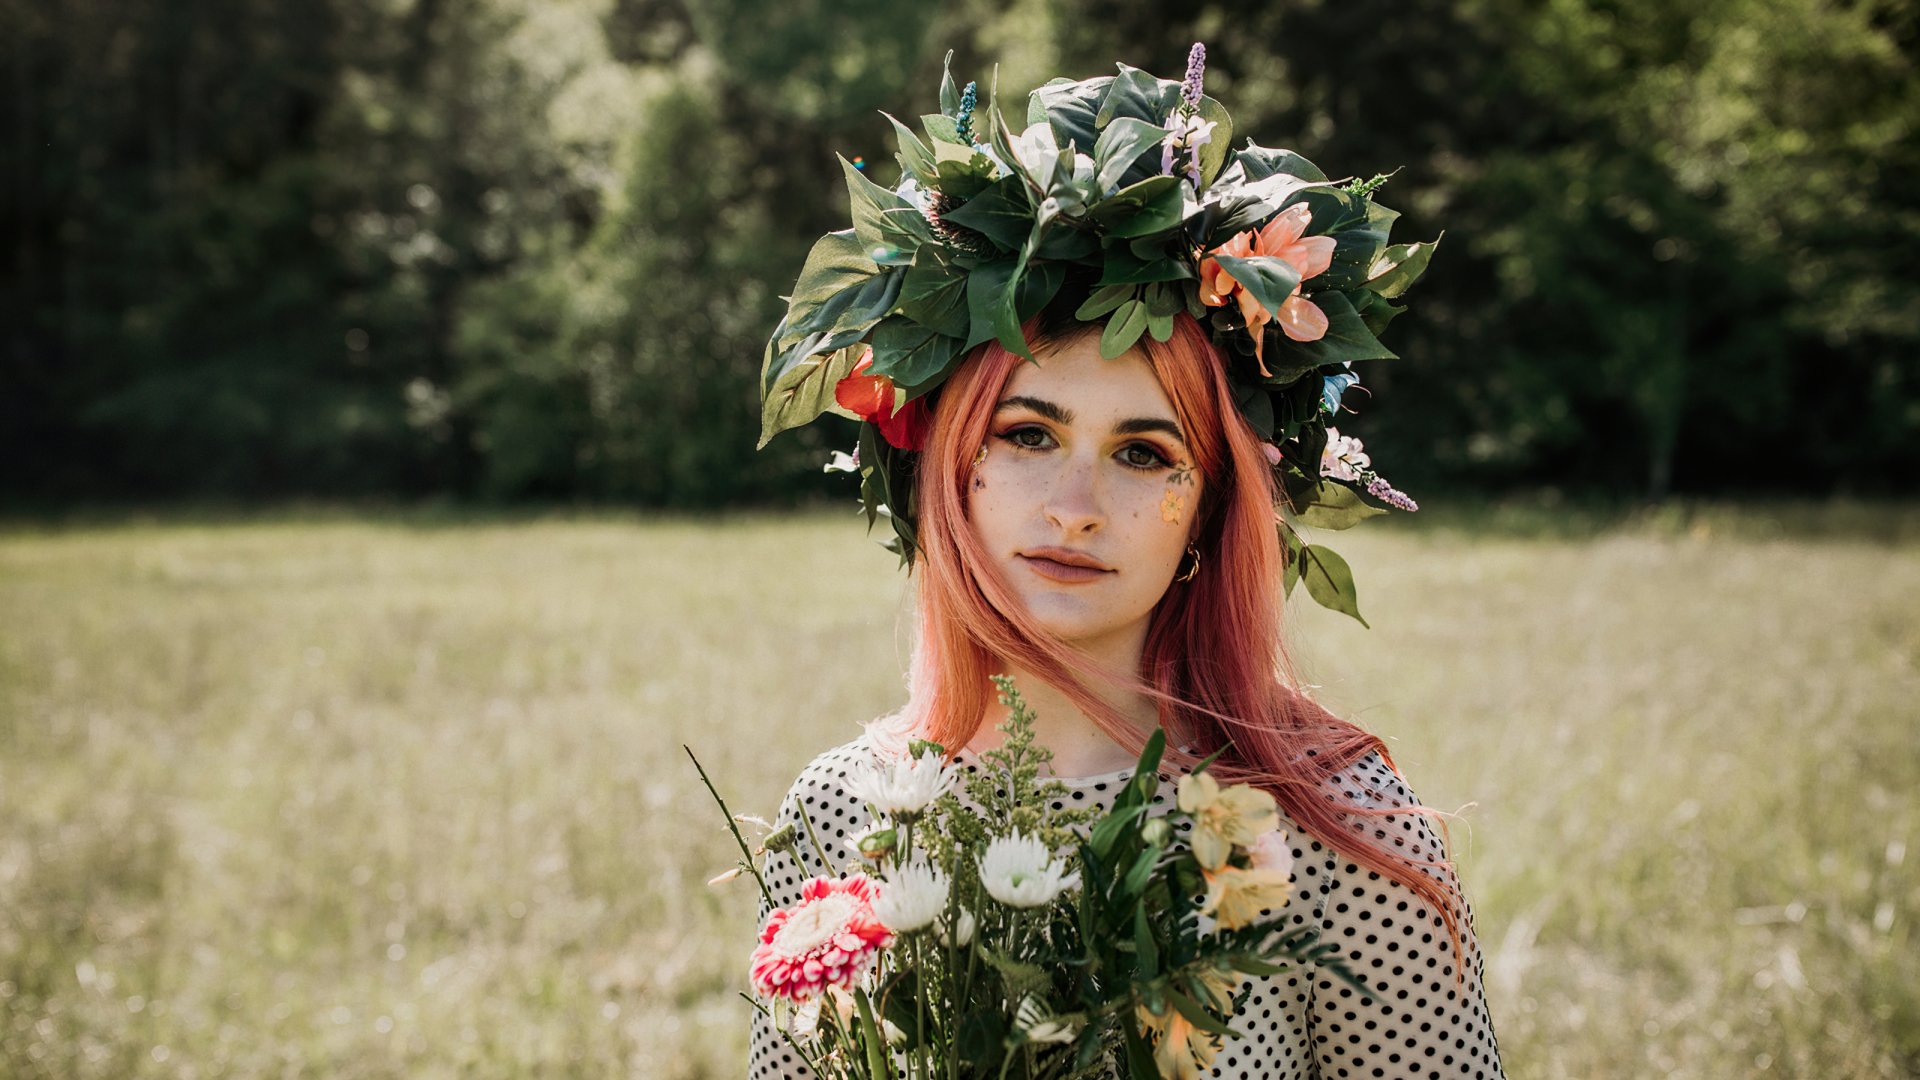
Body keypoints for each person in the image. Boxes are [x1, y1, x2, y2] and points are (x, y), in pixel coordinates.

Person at [747, 46, 1503, 1079]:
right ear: (950, 466)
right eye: (1027, 435)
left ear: (1211, 512)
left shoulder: (1341, 833)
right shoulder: (840, 815)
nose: (1075, 509)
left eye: (1144, 454)